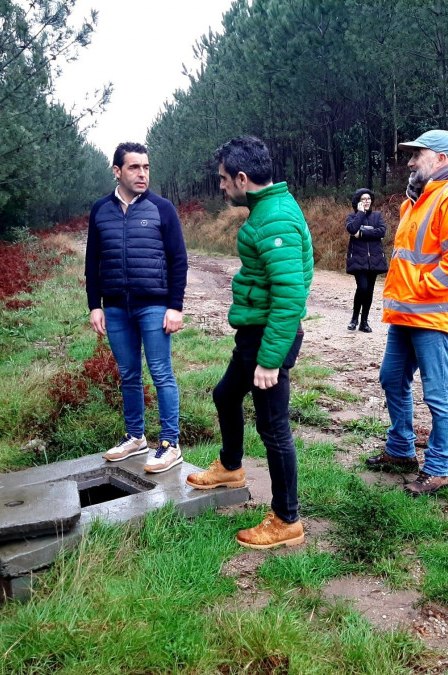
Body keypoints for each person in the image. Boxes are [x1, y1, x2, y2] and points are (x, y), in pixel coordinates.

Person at [186, 135, 314, 549]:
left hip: (267, 338)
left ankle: (286, 519)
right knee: (225, 395)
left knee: (273, 428)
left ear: (243, 178)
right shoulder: (266, 210)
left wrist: (270, 359)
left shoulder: (274, 218)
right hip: (253, 335)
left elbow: (290, 295)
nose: (221, 187)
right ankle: (230, 466)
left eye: (224, 179)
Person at [367, 130, 448, 496]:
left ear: (442, 159)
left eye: (419, 154)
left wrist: (420, 289)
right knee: (391, 379)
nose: (411, 161)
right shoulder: (413, 203)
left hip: (433, 316)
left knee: (438, 394)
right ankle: (401, 450)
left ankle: (438, 469)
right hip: (406, 315)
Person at [84, 142, 188, 474]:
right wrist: (94, 306)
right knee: (128, 374)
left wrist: (175, 306)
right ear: (117, 171)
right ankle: (136, 437)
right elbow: (91, 263)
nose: (142, 173)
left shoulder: (162, 208)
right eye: (134, 167)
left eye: (145, 167)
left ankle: (170, 443)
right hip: (115, 308)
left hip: (154, 305)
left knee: (161, 373)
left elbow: (178, 261)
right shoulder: (101, 210)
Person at [345, 188, 388, 333]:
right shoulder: (352, 217)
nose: (367, 201)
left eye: (369, 199)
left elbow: (381, 231)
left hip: (374, 259)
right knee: (362, 287)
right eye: (364, 199)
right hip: (358, 259)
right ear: (358, 202)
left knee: (369, 291)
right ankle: (354, 319)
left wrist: (362, 233)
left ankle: (364, 322)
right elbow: (352, 229)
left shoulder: (377, 216)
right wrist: (361, 214)